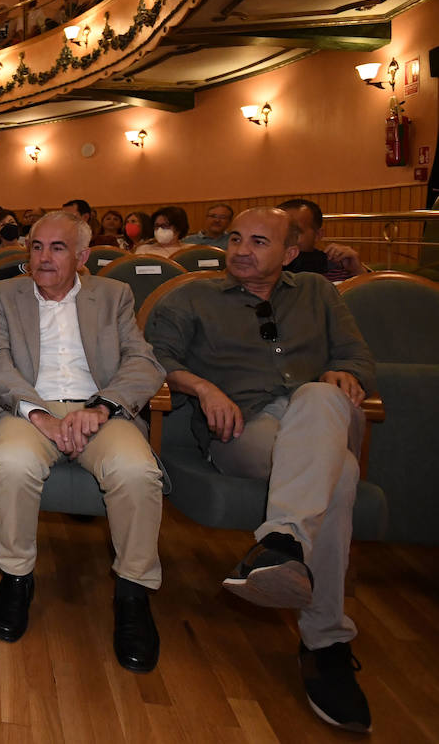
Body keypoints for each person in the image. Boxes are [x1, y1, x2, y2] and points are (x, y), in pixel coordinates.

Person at [145, 207, 377, 733]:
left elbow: (358, 358)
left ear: (290, 254)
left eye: (258, 241)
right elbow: (154, 359)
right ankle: (326, 641)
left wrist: (346, 372)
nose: (241, 250)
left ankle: (284, 543)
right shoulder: (191, 297)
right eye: (234, 239)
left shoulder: (319, 293)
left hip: (322, 415)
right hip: (245, 431)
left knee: (319, 396)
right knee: (337, 476)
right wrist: (203, 387)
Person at [0, 212, 165, 672]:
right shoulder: (3, 294)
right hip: (28, 409)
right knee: (12, 462)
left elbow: (143, 363)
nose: (43, 257)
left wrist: (101, 407)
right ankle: (16, 577)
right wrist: (37, 412)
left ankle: (132, 593)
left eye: (57, 248)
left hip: (97, 411)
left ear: (82, 257)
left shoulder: (114, 295)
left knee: (137, 472)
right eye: (36, 246)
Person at [278, 198, 365, 282]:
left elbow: (369, 295)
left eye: (294, 233)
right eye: (277, 232)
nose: (284, 239)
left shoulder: (336, 267)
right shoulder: (268, 270)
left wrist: (357, 271)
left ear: (317, 235)